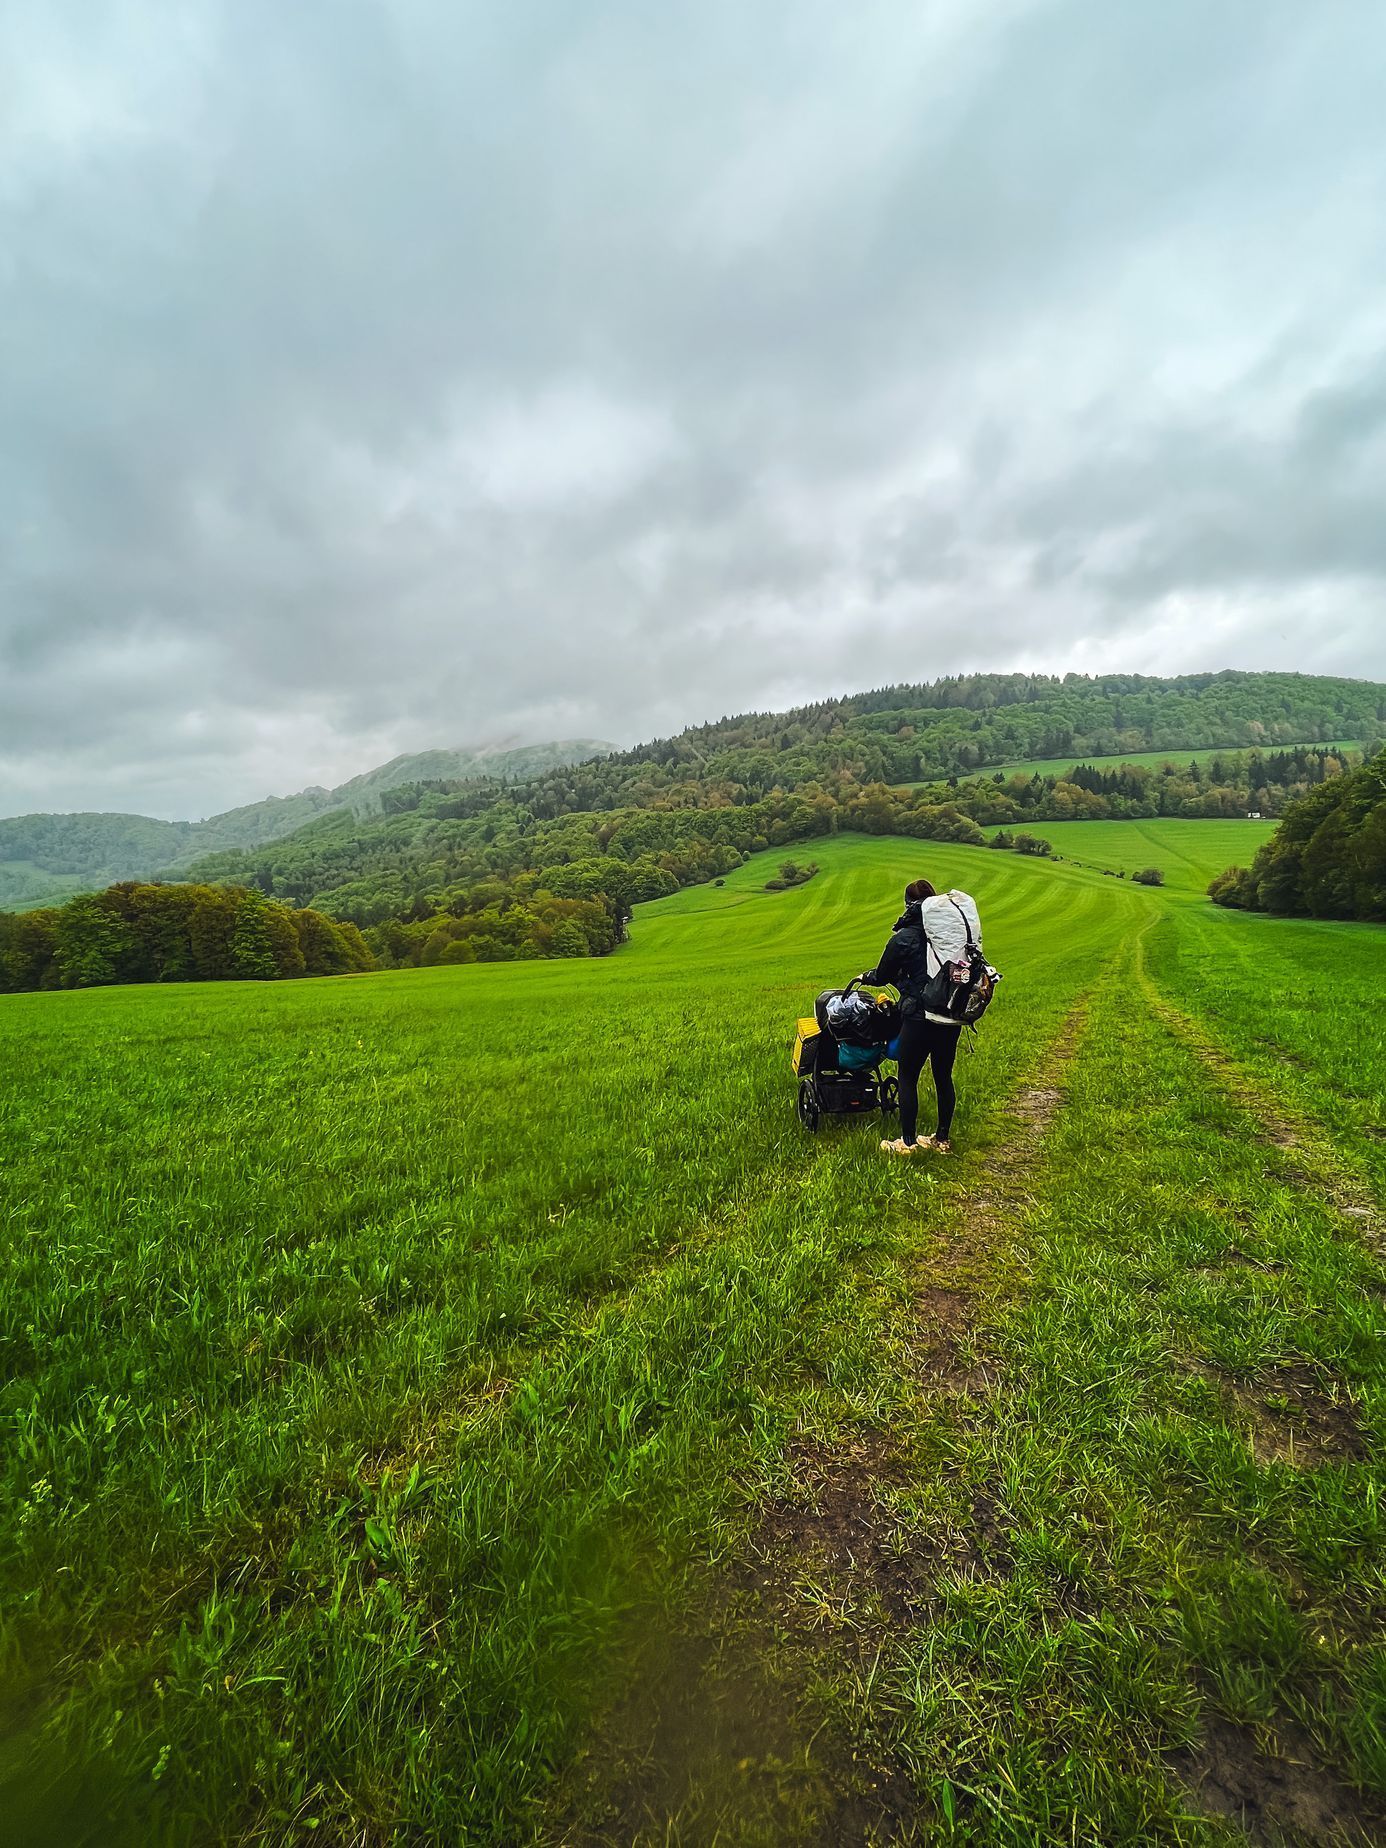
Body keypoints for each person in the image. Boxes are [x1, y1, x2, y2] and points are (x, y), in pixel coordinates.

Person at [859, 878, 982, 1156]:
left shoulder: (905, 937)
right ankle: (942, 1139)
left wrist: (867, 977)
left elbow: (884, 974)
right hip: (950, 1014)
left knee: (908, 1075)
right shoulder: (947, 937)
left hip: (918, 1016)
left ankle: (907, 1141)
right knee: (943, 1075)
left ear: (908, 904)